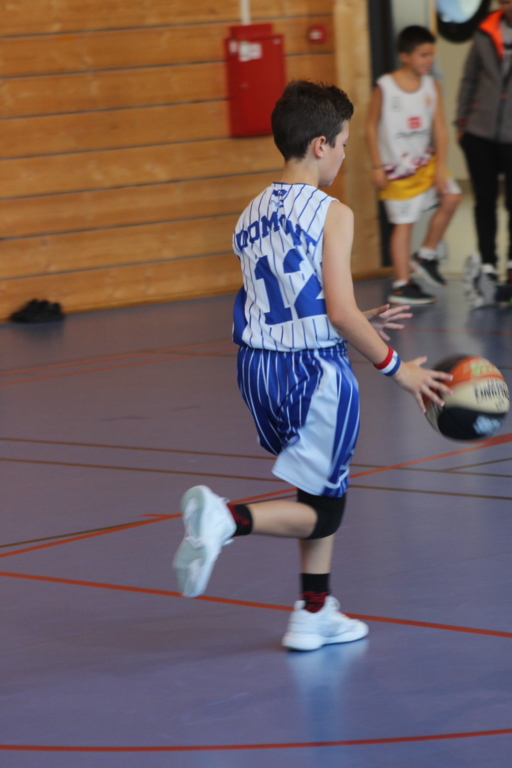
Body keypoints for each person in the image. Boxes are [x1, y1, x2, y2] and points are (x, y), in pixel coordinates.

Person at [173, 81, 452, 652]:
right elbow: (341, 313)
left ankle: (314, 610)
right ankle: (227, 519)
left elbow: (288, 301)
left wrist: (357, 317)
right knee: (325, 514)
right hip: (315, 374)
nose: (345, 156)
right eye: (344, 144)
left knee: (319, 487)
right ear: (320, 145)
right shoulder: (334, 213)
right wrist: (400, 370)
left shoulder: (249, 214)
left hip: (258, 372)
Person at [366, 25, 461, 305]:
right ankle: (401, 284)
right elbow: (370, 127)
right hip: (397, 171)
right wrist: (376, 165)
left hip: (425, 165)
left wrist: (441, 167)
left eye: (431, 54)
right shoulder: (385, 86)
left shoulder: (432, 86)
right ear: (404, 56)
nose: (429, 60)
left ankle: (426, 255)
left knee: (452, 196)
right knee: (403, 224)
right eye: (423, 54)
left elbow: (440, 129)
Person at [456, 0, 512, 308]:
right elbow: (469, 78)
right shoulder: (485, 32)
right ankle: (488, 265)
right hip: (479, 133)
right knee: (484, 200)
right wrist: (462, 122)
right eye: (504, 2)